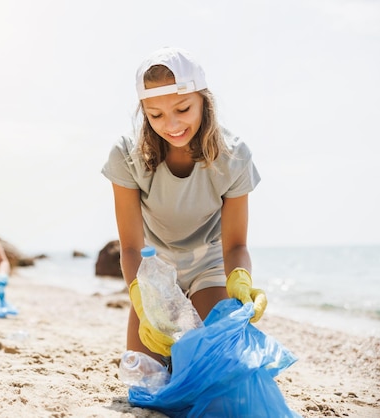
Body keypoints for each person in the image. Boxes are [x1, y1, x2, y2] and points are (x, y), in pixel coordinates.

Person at [101, 47, 267, 363]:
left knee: (215, 364)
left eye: (182, 108)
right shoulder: (125, 155)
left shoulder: (234, 156)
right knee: (148, 375)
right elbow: (131, 249)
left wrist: (241, 280)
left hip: (210, 265)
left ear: (203, 100)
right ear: (144, 112)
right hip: (153, 269)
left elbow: (235, 246)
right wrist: (142, 297)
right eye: (156, 115)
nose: (172, 124)